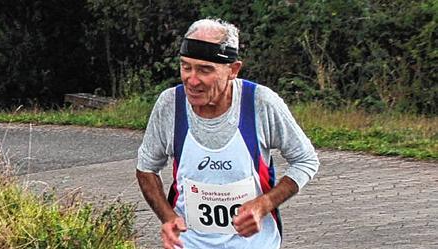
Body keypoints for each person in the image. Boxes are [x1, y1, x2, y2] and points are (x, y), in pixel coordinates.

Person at [136, 18, 319, 249]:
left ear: (233, 70)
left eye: (205, 70)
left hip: (254, 244)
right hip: (189, 244)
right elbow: (146, 167)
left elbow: (305, 160)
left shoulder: (260, 103)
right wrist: (168, 217)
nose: (191, 80)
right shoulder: (170, 105)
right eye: (186, 66)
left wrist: (264, 204)